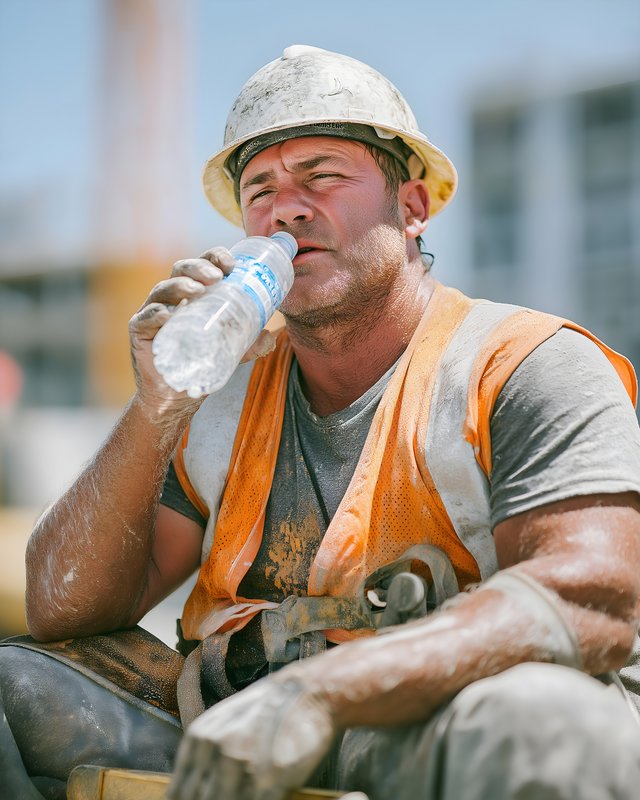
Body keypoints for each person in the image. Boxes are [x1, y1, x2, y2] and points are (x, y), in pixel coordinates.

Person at [2, 44, 640, 800]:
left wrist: (324, 690)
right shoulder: (223, 397)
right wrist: (156, 403)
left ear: (412, 205)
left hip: (432, 728)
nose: (287, 208)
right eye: (261, 188)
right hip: (233, 736)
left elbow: (595, 594)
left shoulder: (521, 365)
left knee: (544, 722)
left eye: (325, 176)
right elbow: (66, 607)